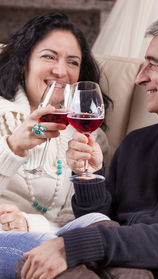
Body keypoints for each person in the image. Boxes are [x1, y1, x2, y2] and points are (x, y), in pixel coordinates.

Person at [16, 10, 158, 279]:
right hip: (113, 268)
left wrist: (77, 246)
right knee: (34, 264)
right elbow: (99, 219)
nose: (139, 78)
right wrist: (88, 177)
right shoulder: (136, 143)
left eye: (152, 64)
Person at [0, 11, 112, 278]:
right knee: (76, 257)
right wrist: (13, 147)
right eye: (49, 56)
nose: (61, 71)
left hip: (53, 236)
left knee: (103, 225)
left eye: (72, 62)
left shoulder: (87, 134)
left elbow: (78, 221)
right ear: (24, 61)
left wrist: (89, 176)